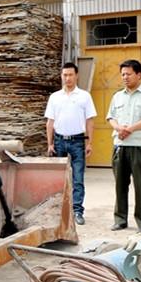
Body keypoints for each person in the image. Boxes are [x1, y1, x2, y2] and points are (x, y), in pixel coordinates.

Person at [106, 59, 141, 234]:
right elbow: (110, 117)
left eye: (128, 74)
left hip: (139, 146)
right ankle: (120, 220)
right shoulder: (117, 96)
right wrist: (118, 128)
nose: (125, 77)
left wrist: (129, 129)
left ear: (139, 74)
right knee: (120, 185)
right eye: (122, 74)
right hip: (119, 145)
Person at [44, 62, 97, 226]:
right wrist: (50, 143)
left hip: (78, 142)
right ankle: (59, 210)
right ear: (61, 76)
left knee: (78, 178)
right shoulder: (55, 97)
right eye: (65, 75)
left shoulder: (84, 96)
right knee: (59, 178)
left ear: (76, 76)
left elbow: (90, 121)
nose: (67, 78)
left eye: (70, 75)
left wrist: (90, 143)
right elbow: (50, 122)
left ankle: (78, 211)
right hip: (59, 141)